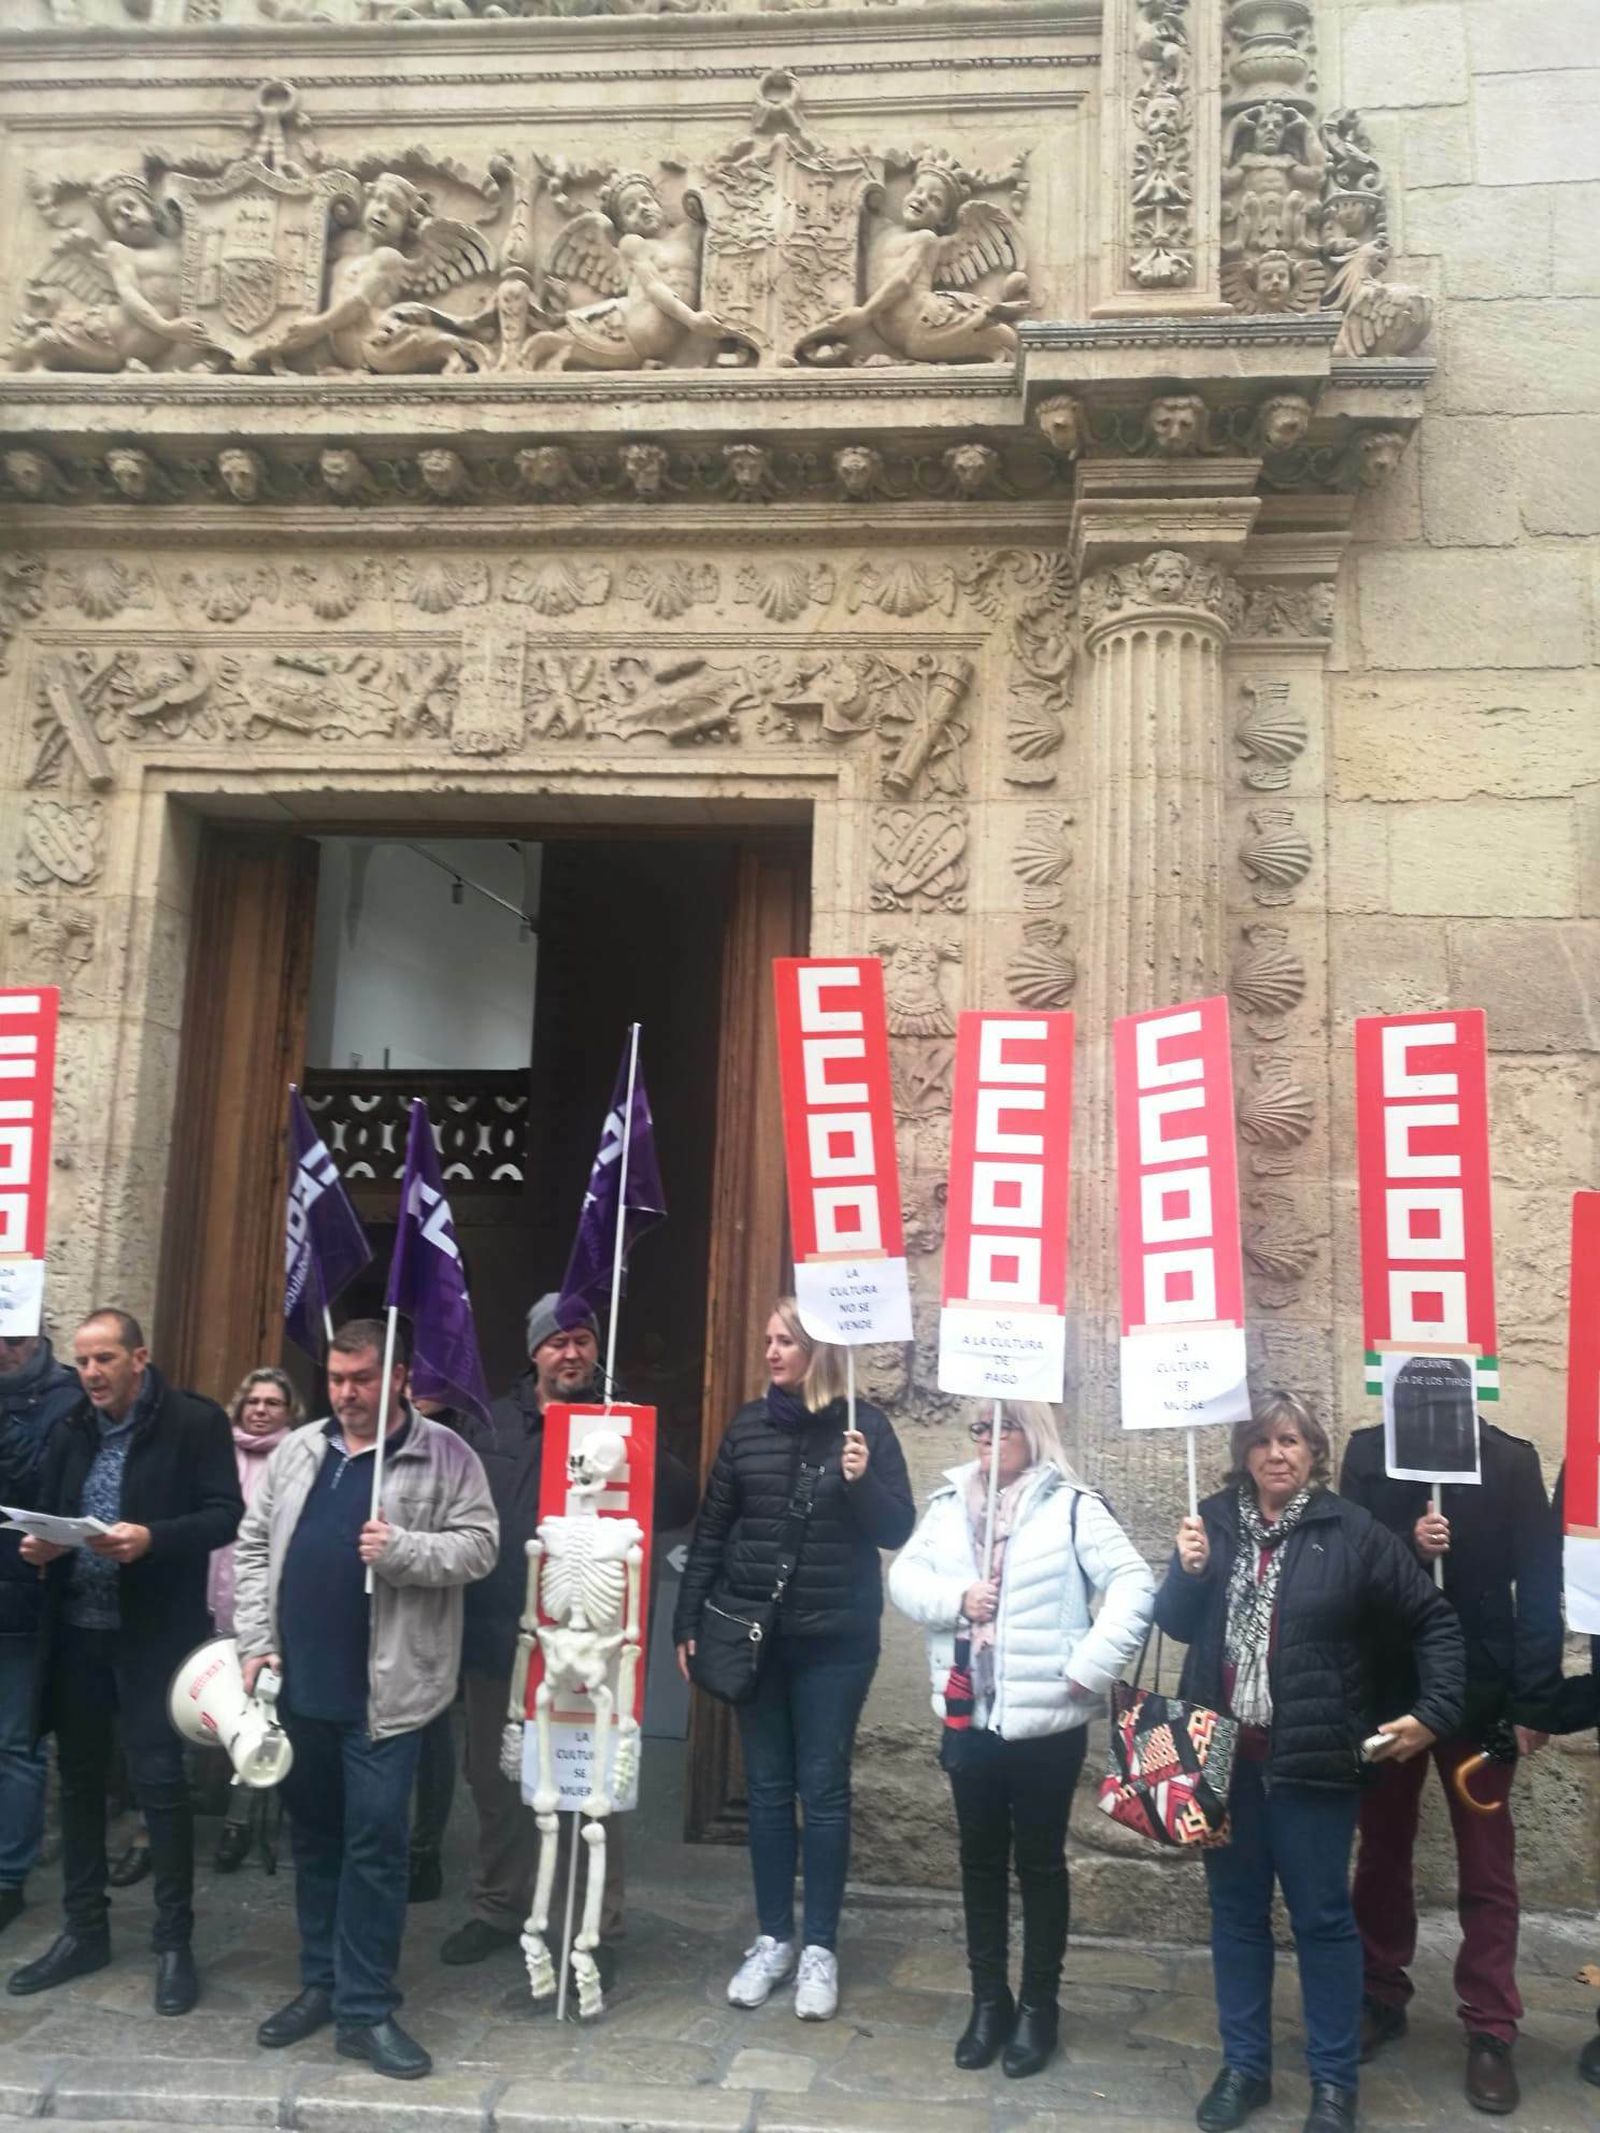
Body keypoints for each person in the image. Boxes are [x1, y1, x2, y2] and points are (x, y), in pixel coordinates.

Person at [1154, 1390, 1464, 2133]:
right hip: (1223, 1761)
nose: (1276, 1454)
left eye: (1291, 1440)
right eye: (1262, 1441)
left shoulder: (1351, 1531)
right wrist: (1186, 1570)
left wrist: (1432, 1713)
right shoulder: (1215, 1520)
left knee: (1323, 1918)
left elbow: (1434, 1621)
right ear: (1245, 1454)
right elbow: (1172, 1623)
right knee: (1235, 1916)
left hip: (1315, 1765)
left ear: (1314, 1451)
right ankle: (1245, 2067)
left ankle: (1332, 2085)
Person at [232, 1317, 496, 2081]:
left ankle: (367, 2007)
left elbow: (481, 1544)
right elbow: (254, 1546)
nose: (345, 1393)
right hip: (300, 1686)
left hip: (391, 1691)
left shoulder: (446, 1453)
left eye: (362, 1378)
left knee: (376, 1849)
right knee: (313, 1841)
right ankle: (321, 1982)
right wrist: (254, 1641)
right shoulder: (299, 1448)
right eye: (337, 1379)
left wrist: (404, 1550)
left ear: (400, 1377)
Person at [889, 1401, 1154, 2078]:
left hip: (1045, 1720)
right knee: (979, 1861)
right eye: (977, 1426)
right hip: (966, 1712)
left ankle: (1040, 2004)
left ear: (1031, 1432)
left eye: (999, 1425)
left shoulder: (1071, 1504)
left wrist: (1089, 1665)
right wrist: (958, 1598)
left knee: (1039, 1864)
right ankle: (988, 2000)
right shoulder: (950, 1503)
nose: (984, 1437)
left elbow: (1132, 1581)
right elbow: (904, 1577)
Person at [439, 1292, 697, 1978]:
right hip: (502, 1635)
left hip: (592, 1642)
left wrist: (637, 1440)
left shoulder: (619, 1420)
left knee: (590, 1786)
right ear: (535, 1351)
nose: (572, 1352)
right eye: (558, 1341)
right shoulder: (486, 1422)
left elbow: (678, 1501)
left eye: (582, 1339)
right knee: (497, 1784)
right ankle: (499, 1906)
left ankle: (595, 1926)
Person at [674, 1298, 915, 2022]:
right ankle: (773, 1935)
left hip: (836, 1641)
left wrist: (862, 1479)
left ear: (819, 1353)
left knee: (825, 1787)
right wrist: (688, 1618)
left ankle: (820, 1947)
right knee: (770, 1789)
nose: (772, 1351)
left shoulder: (864, 1427)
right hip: (759, 1636)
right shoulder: (748, 1427)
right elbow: (713, 1529)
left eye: (786, 1340)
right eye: (769, 1338)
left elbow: (897, 1526)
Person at [7, 1309, 242, 2016]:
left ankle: (175, 1942)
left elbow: (226, 1514)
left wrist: (152, 1539)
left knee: (159, 1784)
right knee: (78, 1782)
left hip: (153, 1635)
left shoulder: (194, 1423)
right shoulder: (72, 1426)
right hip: (79, 1630)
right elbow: (49, 1508)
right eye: (82, 1361)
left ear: (140, 1357)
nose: (92, 1373)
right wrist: (41, 1544)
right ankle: (85, 1929)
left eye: (106, 1358)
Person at [1340, 1412, 1563, 2115]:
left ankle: (1492, 2025)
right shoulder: (1370, 1453)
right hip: (1392, 1686)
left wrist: (1534, 1699)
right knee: (1381, 1851)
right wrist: (1408, 1543)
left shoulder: (1510, 1457)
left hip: (1484, 1694)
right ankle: (1379, 1989)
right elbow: (1348, 1568)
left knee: (1488, 1863)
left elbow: (1540, 1581)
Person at [0, 1332, 84, 1931]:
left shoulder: (68, 1400)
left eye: (9, 1340)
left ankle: (6, 1878)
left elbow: (36, 1478)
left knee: (16, 1744)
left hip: (22, 1596)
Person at [209, 1368, 302, 1875]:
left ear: (290, 1412)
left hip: (266, 1607)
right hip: (210, 1597)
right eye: (254, 1401)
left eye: (273, 1402)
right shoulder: (219, 1452)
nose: (261, 1410)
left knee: (258, 1715)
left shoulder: (296, 1458)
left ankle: (239, 1821)